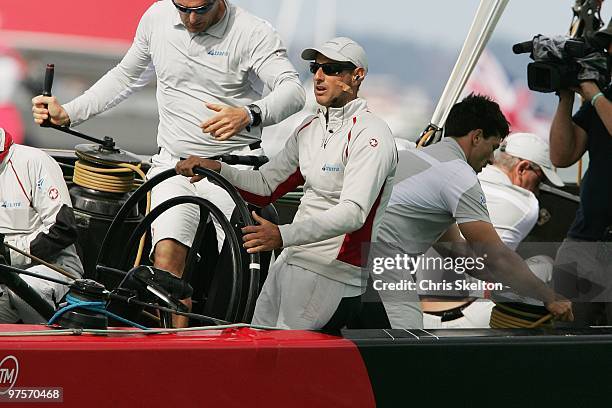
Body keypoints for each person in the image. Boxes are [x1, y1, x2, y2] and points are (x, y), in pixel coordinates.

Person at [31, 0, 305, 326]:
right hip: (175, 167)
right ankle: (172, 348)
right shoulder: (157, 18)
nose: (190, 19)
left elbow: (293, 90)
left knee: (236, 276)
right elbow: (125, 77)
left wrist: (250, 114)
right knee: (165, 270)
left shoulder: (253, 32)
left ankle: (226, 346)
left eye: (200, 10)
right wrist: (70, 112)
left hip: (233, 170)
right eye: (182, 8)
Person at [176, 37, 398, 330]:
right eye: (314, 67)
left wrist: (282, 235)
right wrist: (216, 168)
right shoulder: (309, 128)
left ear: (357, 76)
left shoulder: (372, 135)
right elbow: (267, 185)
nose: (318, 76)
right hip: (290, 260)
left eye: (331, 69)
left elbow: (353, 213)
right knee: (257, 349)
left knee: (283, 362)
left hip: (332, 274)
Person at [371, 94, 573, 329]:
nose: (490, 160)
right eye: (493, 148)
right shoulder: (460, 175)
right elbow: (496, 256)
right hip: (383, 271)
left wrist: (516, 284)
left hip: (344, 264)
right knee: (409, 353)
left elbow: (460, 253)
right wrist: (548, 296)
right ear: (476, 137)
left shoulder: (412, 156)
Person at [420, 132, 566, 329]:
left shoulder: (452, 180)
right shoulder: (527, 203)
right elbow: (503, 265)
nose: (538, 190)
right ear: (522, 168)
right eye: (539, 180)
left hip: (418, 313)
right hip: (467, 319)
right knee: (545, 265)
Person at [549, 21, 612, 327]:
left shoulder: (603, 99)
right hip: (585, 241)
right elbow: (562, 155)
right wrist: (565, 98)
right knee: (566, 342)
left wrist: (595, 95)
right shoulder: (606, 96)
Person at [0, 127, 84, 323]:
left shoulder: (33, 161)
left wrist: (8, 254)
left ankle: (54, 351)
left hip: (56, 268)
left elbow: (63, 228)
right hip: (5, 277)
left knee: (25, 289)